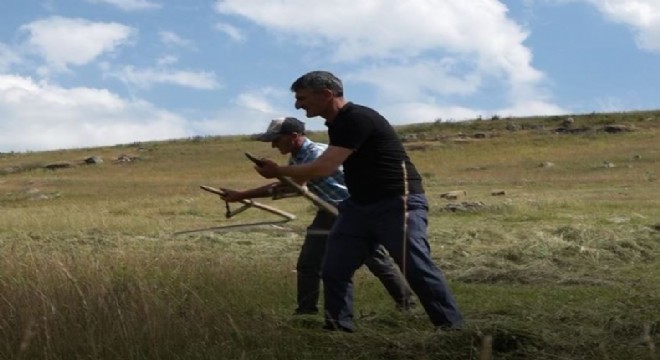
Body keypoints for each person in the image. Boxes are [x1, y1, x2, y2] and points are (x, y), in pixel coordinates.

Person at [253, 71, 463, 333]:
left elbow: (325, 167)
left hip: (397, 201)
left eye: (302, 98)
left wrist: (278, 171)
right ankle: (338, 330)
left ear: (326, 94)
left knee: (415, 266)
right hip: (358, 205)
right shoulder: (338, 124)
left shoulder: (357, 118)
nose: (298, 105)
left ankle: (452, 329)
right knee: (333, 269)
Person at [220, 116, 414, 317]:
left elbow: (289, 184)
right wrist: (247, 195)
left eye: (277, 139)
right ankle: (306, 312)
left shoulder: (315, 155)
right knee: (310, 262)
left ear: (294, 136)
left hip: (350, 210)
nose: (273, 144)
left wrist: (243, 194)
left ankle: (406, 304)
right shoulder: (297, 158)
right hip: (328, 212)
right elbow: (296, 188)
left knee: (374, 258)